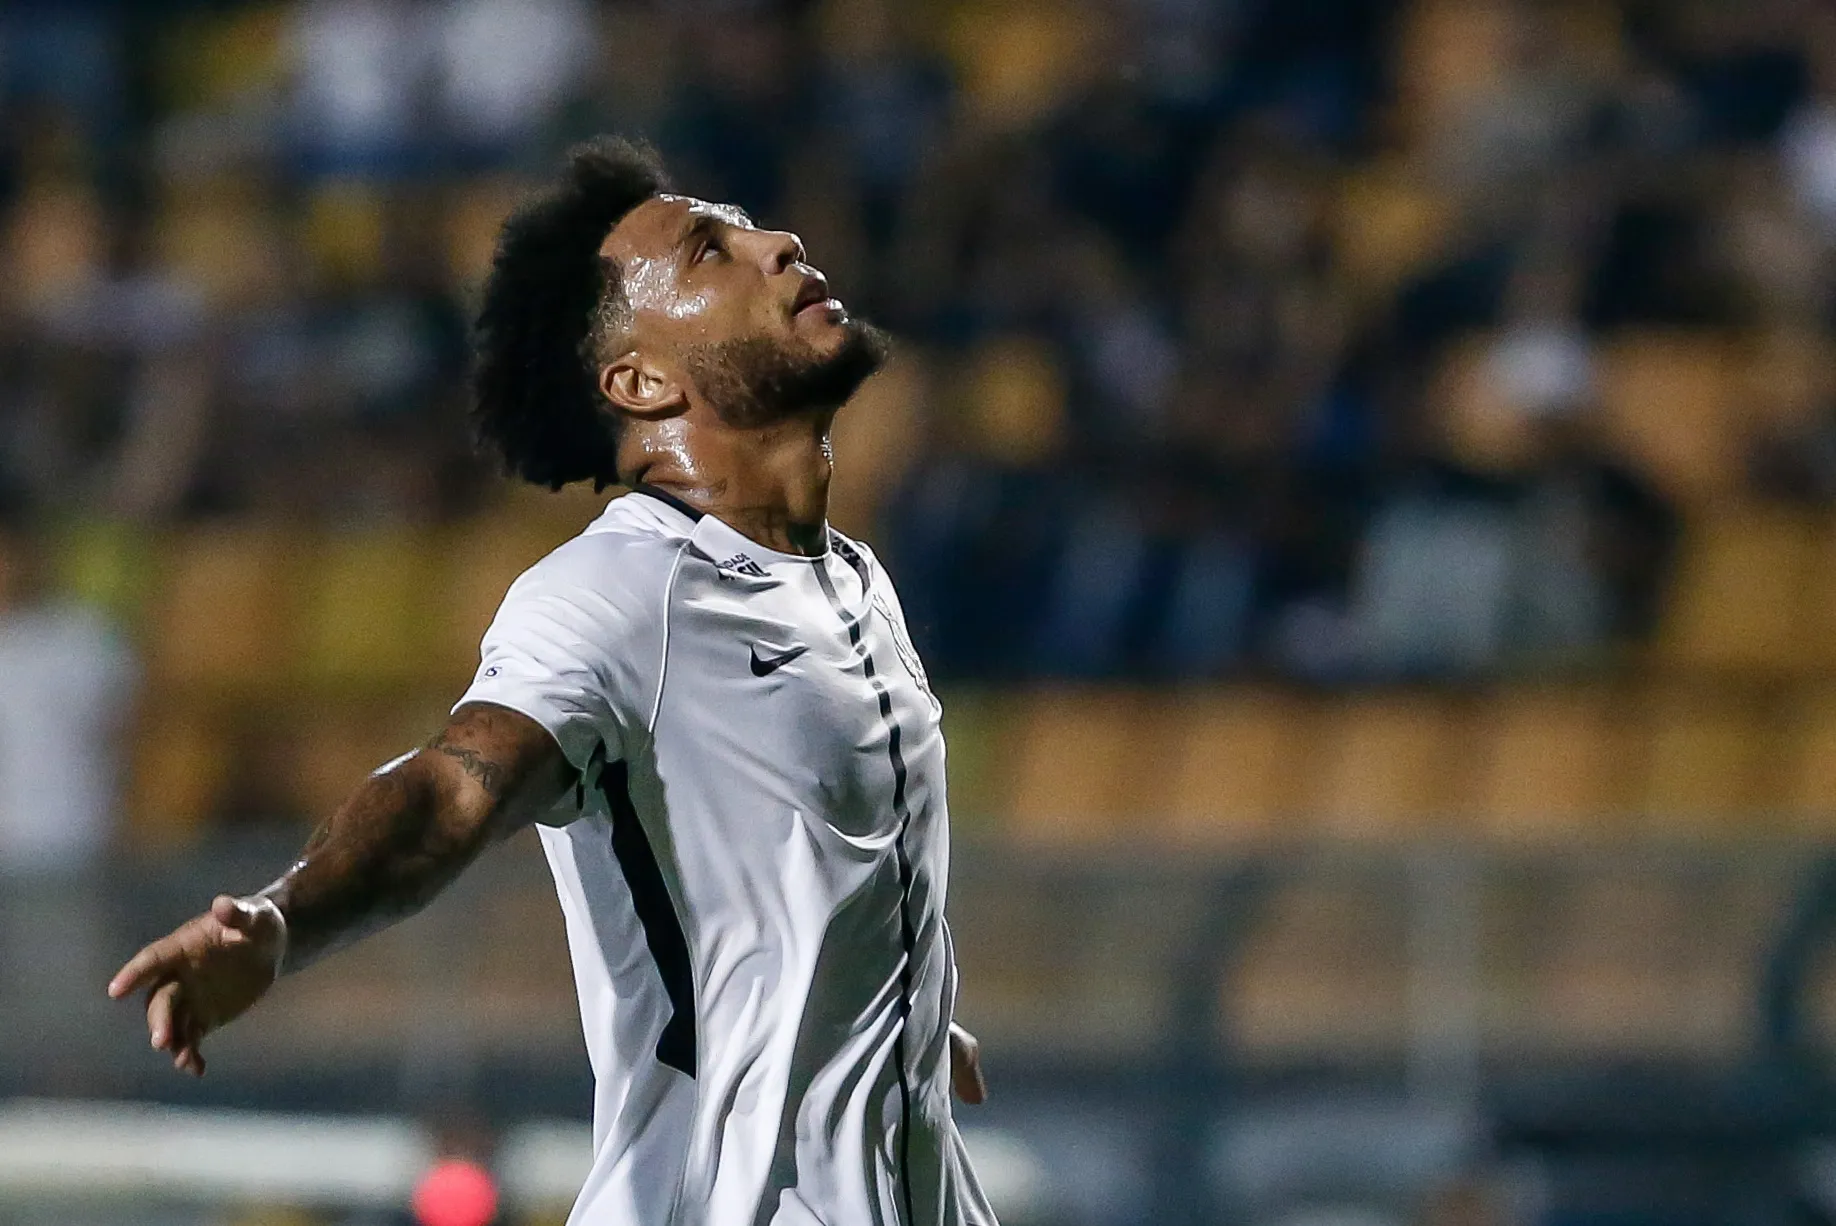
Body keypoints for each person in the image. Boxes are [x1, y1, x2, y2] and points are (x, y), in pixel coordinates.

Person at [108, 137, 996, 1226]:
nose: (779, 243)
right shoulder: (619, 591)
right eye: (712, 251)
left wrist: (883, 994)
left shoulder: (854, 582)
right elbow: (451, 786)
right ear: (640, 380)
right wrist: (284, 916)